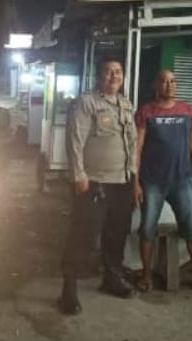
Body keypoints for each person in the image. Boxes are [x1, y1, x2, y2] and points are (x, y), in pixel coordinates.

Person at [58, 60, 138, 316]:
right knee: (83, 235)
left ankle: (111, 277)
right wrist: (78, 175)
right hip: (94, 182)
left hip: (122, 182)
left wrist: (133, 176)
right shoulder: (86, 103)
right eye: (108, 71)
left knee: (117, 234)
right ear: (99, 76)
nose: (114, 76)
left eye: (118, 72)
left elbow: (132, 142)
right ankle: (69, 289)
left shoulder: (125, 104)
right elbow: (74, 141)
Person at [133, 70, 192, 295]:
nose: (169, 85)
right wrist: (135, 182)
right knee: (147, 229)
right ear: (156, 85)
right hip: (152, 181)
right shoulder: (146, 112)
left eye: (173, 81)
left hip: (182, 181)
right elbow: (137, 149)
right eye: (163, 81)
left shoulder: (188, 111)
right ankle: (147, 275)